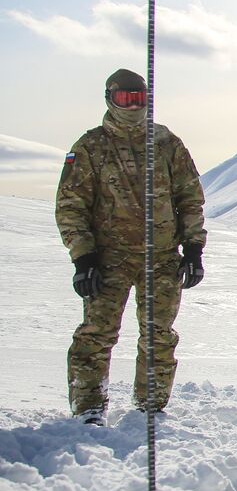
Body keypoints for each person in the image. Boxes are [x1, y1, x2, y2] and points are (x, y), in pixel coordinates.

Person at [55, 68, 206, 424]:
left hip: (163, 258)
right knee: (96, 334)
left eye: (138, 98)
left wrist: (194, 249)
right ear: (110, 99)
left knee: (159, 336)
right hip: (109, 260)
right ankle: (89, 407)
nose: (132, 105)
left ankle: (150, 407)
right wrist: (83, 257)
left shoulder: (167, 144)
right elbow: (70, 205)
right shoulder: (91, 146)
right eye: (125, 98)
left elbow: (190, 198)